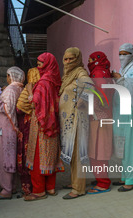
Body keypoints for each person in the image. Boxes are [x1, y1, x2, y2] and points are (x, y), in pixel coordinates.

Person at [25, 53, 64, 201]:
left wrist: (30, 91)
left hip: (42, 124)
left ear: (47, 65)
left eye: (40, 64)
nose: (38, 66)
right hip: (53, 123)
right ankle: (51, 188)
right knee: (50, 155)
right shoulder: (55, 80)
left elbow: (35, 103)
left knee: (38, 156)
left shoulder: (42, 83)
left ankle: (39, 190)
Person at [111, 43, 133, 191]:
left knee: (130, 146)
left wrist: (119, 79)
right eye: (120, 54)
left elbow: (132, 91)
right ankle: (125, 176)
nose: (122, 57)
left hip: (131, 113)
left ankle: (131, 180)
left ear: (132, 54)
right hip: (122, 113)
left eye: (125, 53)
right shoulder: (123, 69)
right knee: (123, 145)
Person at [59, 47, 92, 199]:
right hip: (69, 121)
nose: (68, 62)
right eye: (65, 59)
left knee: (78, 153)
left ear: (77, 59)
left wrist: (82, 101)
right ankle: (75, 182)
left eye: (71, 58)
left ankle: (78, 189)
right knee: (73, 153)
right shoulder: (67, 75)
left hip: (77, 119)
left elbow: (90, 86)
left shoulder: (80, 72)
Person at [0, 66, 25, 200]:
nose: (7, 78)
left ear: (12, 76)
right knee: (11, 156)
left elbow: (7, 108)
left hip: (6, 128)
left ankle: (6, 189)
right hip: (10, 128)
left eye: (8, 75)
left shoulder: (11, 89)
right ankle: (12, 186)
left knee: (4, 157)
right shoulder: (18, 88)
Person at [86, 51, 113, 194]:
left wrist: (93, 105)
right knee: (100, 151)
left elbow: (103, 97)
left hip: (99, 118)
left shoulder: (97, 73)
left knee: (98, 152)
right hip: (103, 117)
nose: (88, 61)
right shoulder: (104, 71)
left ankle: (103, 183)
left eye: (90, 59)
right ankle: (101, 179)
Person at [16, 67, 40, 196]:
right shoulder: (42, 88)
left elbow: (19, 109)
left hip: (26, 127)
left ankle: (27, 187)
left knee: (25, 155)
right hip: (37, 125)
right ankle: (38, 184)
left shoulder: (28, 90)